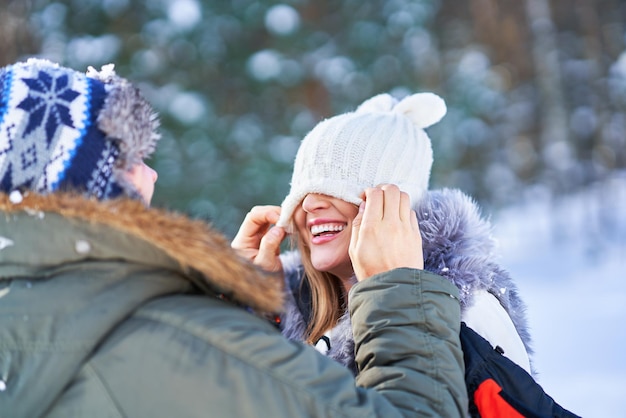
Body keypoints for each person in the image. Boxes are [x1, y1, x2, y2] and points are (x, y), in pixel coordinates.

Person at [0, 59, 467, 417]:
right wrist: (400, 294)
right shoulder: (158, 336)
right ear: (82, 186)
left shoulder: (29, 316)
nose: (151, 176)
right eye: (125, 158)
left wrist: (235, 309)